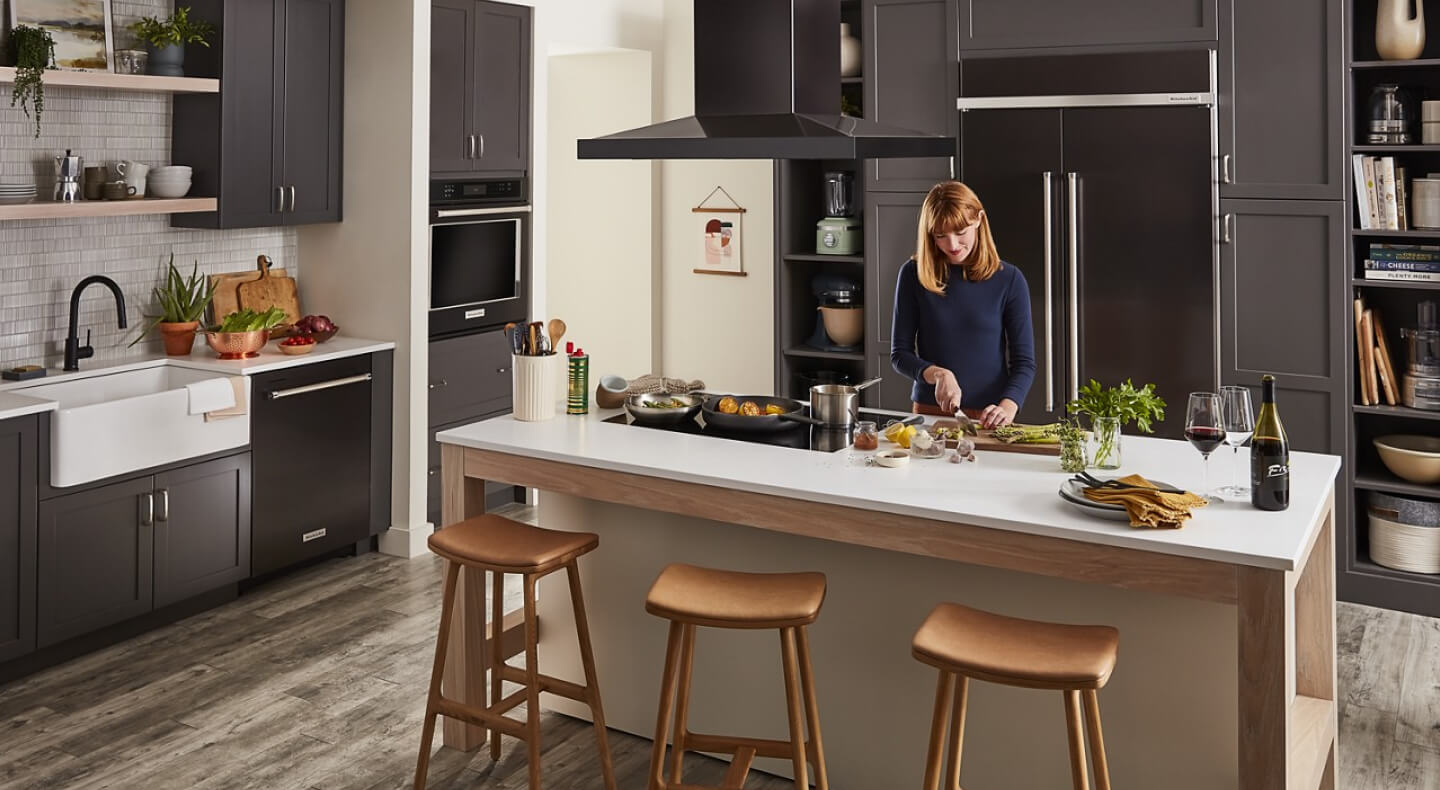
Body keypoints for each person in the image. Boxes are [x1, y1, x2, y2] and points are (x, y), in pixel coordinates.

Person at [890, 181, 1036, 428]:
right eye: (940, 236)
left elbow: (1024, 363)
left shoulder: (1009, 279)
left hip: (990, 416)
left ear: (978, 220)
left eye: (960, 233)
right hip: (930, 413)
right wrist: (939, 374)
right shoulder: (913, 274)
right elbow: (900, 355)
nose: (953, 245)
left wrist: (1008, 406)